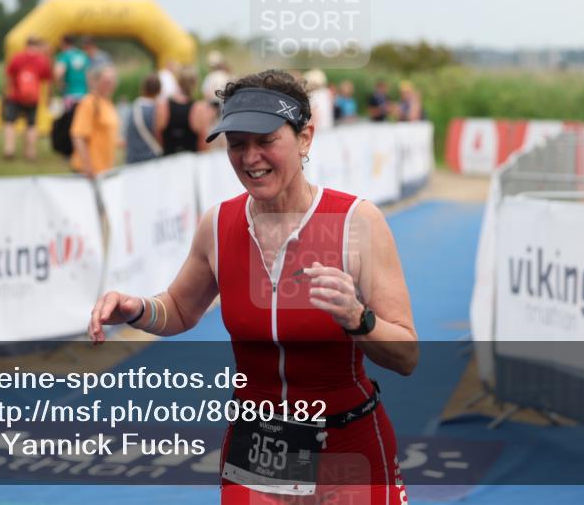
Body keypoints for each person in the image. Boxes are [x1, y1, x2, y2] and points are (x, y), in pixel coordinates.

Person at [89, 69, 417, 504]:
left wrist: (358, 319)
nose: (250, 157)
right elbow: (179, 309)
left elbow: (408, 353)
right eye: (237, 144)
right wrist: (136, 309)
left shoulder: (356, 222)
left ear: (305, 139)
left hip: (347, 445)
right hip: (260, 448)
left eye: (265, 141)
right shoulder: (219, 224)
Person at [2, 37, 52, 161]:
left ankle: (9, 149)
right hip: (33, 98)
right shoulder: (42, 60)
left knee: (10, 122)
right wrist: (49, 97)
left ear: (26, 44)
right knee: (31, 125)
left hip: (16, 96)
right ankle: (30, 153)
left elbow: (9, 76)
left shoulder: (17, 57)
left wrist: (6, 93)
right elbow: (48, 80)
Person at [70, 65, 121, 178]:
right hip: (89, 171)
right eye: (107, 80)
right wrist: (87, 166)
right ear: (96, 81)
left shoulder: (108, 103)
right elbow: (78, 136)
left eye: (113, 79)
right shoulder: (89, 103)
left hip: (105, 170)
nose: (111, 83)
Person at [154, 65, 212, 155]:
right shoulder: (199, 108)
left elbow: (158, 137)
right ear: (195, 84)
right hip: (191, 163)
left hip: (168, 162)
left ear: (177, 82)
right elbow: (203, 144)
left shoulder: (163, 106)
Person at [125, 73, 162, 164]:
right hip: (152, 160)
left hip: (133, 161)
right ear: (159, 90)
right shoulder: (158, 111)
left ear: (143, 89)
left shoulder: (132, 109)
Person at [54, 35, 90, 109]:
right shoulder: (83, 55)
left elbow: (58, 73)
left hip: (69, 94)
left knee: (69, 119)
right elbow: (89, 75)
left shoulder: (64, 56)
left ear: (64, 43)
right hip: (84, 95)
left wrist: (59, 85)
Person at [201, 50, 231, 116]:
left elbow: (206, 94)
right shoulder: (226, 75)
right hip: (225, 107)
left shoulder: (210, 77)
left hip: (212, 108)